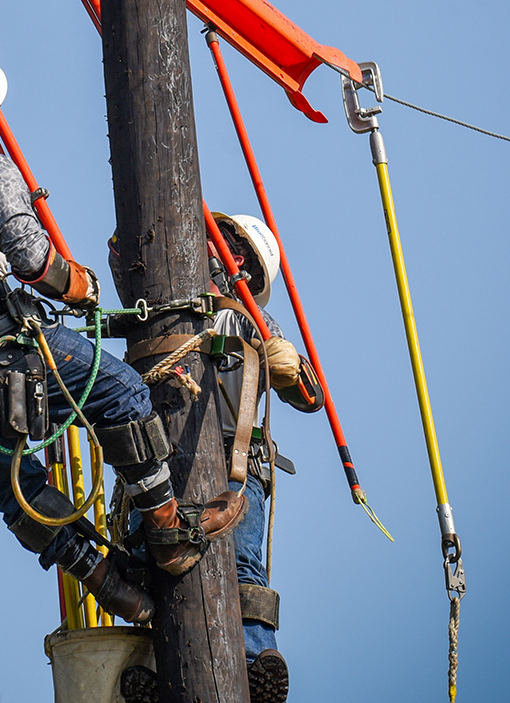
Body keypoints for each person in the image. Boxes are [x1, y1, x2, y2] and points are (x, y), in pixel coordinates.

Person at [0, 32, 246, 624]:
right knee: (123, 393)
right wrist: (82, 285)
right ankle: (170, 533)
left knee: (14, 480)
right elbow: (36, 265)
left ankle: (108, 583)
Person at [207, 212, 326, 703]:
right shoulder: (161, 290)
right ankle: (153, 659)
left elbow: (310, 395)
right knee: (148, 555)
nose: (209, 246)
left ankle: (258, 660)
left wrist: (285, 364)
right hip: (167, 458)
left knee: (241, 564)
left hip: (237, 464)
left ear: (239, 259)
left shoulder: (249, 315)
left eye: (221, 241)